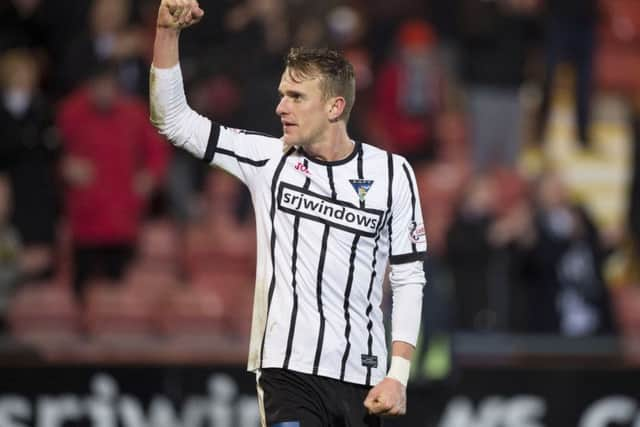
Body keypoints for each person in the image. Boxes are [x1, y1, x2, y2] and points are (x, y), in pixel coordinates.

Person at [149, 1, 427, 425]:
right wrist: (167, 34)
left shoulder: (392, 173)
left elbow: (408, 277)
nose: (281, 107)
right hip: (287, 374)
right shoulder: (269, 159)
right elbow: (173, 120)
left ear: (334, 107)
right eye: (282, 94)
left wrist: (398, 375)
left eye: (296, 97)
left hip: (363, 378)